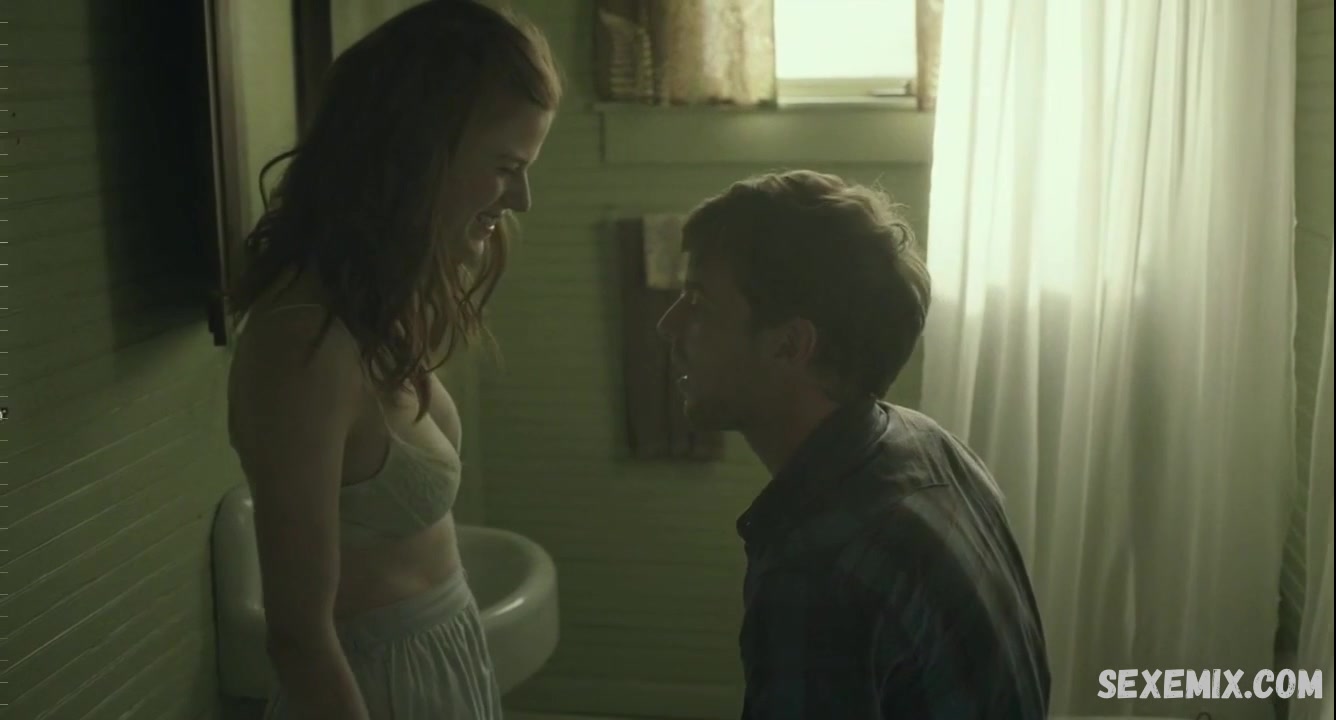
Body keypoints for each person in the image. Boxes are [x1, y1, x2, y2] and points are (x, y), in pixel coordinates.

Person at [224, 2, 559, 718]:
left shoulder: (371, 310)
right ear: (419, 152)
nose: (522, 198)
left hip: (439, 662)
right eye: (506, 167)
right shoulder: (301, 346)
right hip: (377, 690)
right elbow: (298, 638)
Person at [656, 170, 1052, 719]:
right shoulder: (929, 444)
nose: (668, 325)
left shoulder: (819, 571)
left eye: (698, 300)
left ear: (790, 345)